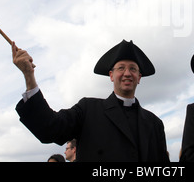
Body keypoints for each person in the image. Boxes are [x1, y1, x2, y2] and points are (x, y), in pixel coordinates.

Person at [13, 39, 169, 162]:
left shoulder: (154, 123)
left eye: (133, 69)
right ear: (111, 75)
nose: (127, 73)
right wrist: (29, 76)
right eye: (121, 68)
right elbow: (50, 129)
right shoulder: (88, 109)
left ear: (139, 77)